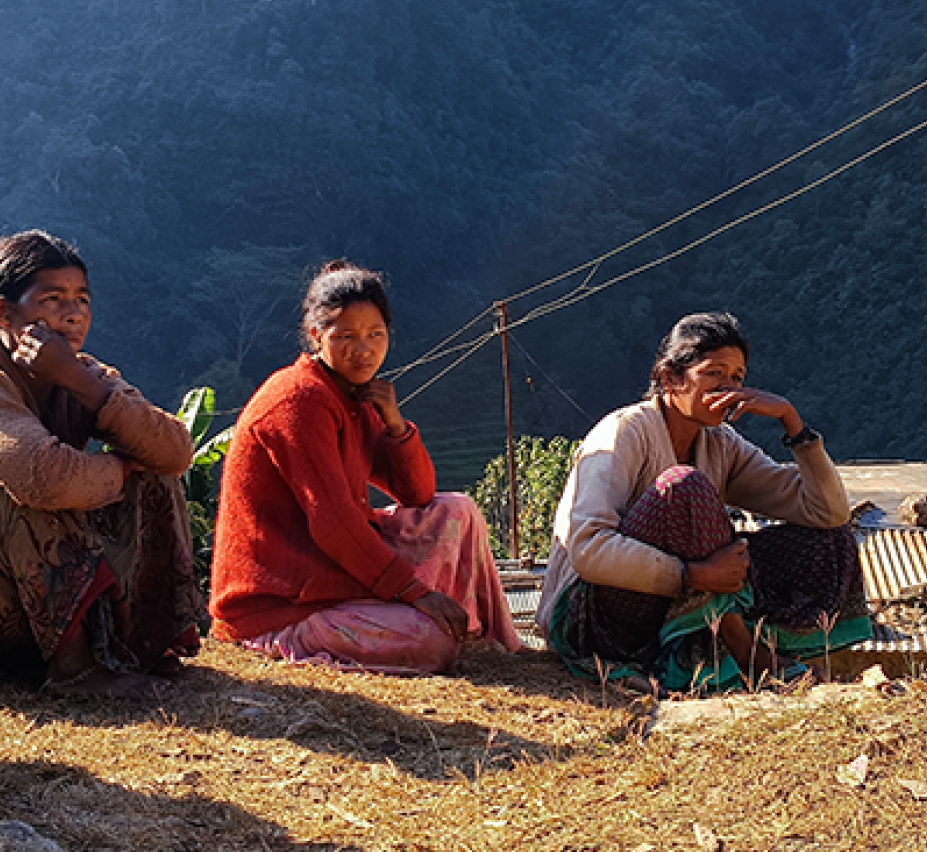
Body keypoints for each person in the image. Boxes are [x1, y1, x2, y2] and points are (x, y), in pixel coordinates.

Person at [0, 231, 203, 695]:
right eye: (52, 299)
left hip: (3, 598)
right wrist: (123, 472)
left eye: (81, 299)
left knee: (155, 473)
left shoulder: (83, 373)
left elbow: (175, 451)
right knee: (19, 480)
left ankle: (143, 643)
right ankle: (76, 668)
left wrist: (81, 384)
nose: (72, 313)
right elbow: (42, 480)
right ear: (2, 313)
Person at [208, 260, 518, 674]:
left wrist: (396, 425)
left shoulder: (352, 395)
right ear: (318, 336)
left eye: (376, 334)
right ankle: (420, 628)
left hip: (325, 572)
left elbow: (418, 495)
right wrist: (412, 592)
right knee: (430, 641)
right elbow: (333, 521)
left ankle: (491, 643)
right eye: (347, 336)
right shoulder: (299, 399)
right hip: (281, 604)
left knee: (458, 510)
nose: (364, 349)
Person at [535, 311, 868, 695]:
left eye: (738, 377)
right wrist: (690, 574)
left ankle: (736, 647)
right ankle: (745, 653)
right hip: (595, 617)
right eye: (714, 374)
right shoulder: (625, 432)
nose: (728, 389)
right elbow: (587, 547)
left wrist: (792, 422)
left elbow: (826, 512)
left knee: (831, 537)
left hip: (662, 608)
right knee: (684, 487)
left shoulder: (721, 444)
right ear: (669, 378)